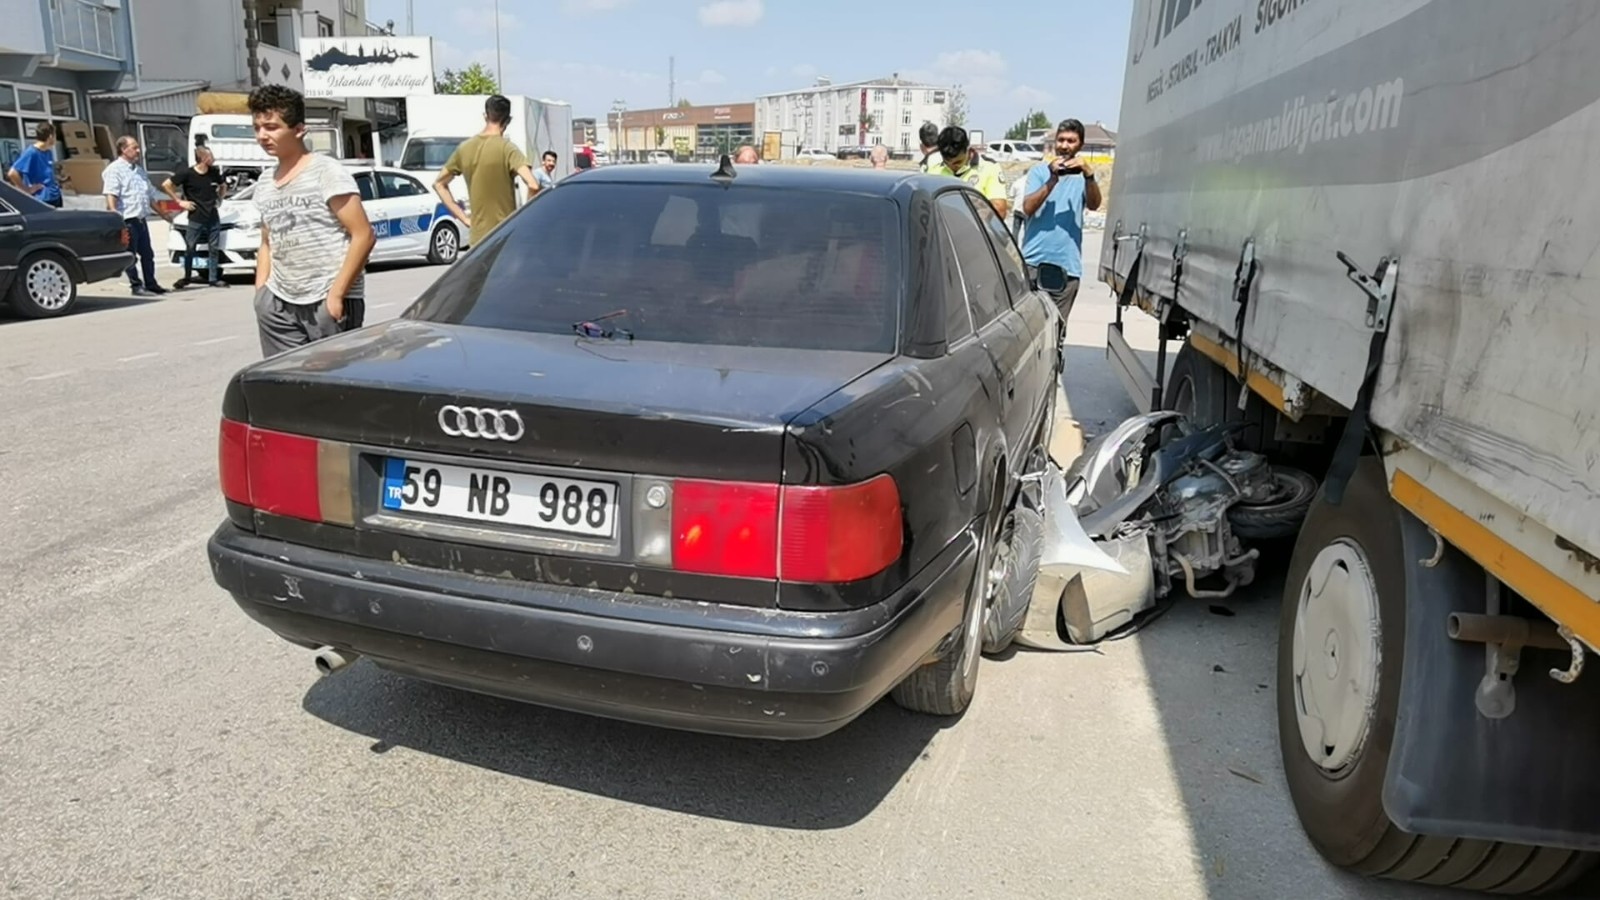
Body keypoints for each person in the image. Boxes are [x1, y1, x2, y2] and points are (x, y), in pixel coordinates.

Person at [247, 84, 376, 358]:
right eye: (257, 127)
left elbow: (363, 235)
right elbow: (267, 242)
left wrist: (336, 295)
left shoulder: (326, 172)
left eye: (271, 127)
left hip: (326, 299)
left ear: (299, 129)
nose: (262, 135)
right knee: (287, 382)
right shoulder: (264, 182)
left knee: (334, 388)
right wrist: (262, 295)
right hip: (279, 301)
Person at [1018, 118, 1103, 321]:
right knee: (1030, 327)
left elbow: (1094, 204)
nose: (1064, 146)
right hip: (1034, 264)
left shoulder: (1084, 178)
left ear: (1080, 145)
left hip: (1067, 268)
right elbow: (1028, 208)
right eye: (1061, 140)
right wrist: (1052, 179)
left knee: (1057, 329)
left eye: (1071, 141)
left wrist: (1089, 175)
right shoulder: (1039, 172)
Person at [433, 94, 540, 248]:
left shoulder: (464, 148)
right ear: (508, 121)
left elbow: (439, 184)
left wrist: (464, 219)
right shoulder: (508, 149)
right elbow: (533, 185)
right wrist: (521, 218)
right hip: (504, 237)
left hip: (478, 240)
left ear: (485, 116)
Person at [102, 136, 173, 296]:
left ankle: (151, 283)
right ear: (123, 149)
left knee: (148, 254)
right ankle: (136, 285)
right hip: (127, 220)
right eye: (134, 148)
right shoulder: (114, 170)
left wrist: (162, 213)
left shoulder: (139, 171)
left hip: (141, 218)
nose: (138, 151)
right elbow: (111, 193)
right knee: (130, 255)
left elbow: (149, 196)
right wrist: (114, 213)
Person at [162, 146, 229, 289]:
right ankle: (186, 277)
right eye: (211, 156)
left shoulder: (214, 172)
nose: (213, 159)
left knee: (214, 247)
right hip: (195, 216)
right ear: (203, 158)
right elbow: (167, 185)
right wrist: (179, 202)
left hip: (212, 215)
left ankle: (213, 278)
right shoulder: (187, 173)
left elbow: (223, 185)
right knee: (190, 247)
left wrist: (219, 198)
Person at [926, 126, 1009, 218]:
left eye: (958, 162)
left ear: (968, 150)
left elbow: (1000, 210)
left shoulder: (989, 168)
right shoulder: (933, 172)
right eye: (947, 163)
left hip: (973, 229)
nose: (953, 167)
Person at [7, 123, 62, 208]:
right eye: (55, 135)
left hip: (54, 196)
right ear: (50, 136)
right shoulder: (31, 152)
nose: (55, 139)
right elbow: (12, 173)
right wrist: (26, 190)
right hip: (42, 200)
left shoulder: (48, 152)